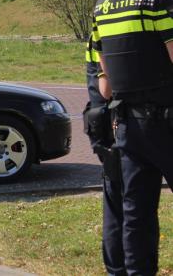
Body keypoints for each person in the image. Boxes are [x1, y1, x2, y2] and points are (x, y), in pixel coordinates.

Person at [91, 0, 173, 275]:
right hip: (166, 122)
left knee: (136, 213)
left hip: (127, 127)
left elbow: (105, 83)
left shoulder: (102, 6)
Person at [83, 36, 124, 275]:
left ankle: (117, 268)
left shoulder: (99, 26)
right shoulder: (106, 30)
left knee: (115, 201)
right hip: (113, 124)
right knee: (120, 203)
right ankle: (117, 268)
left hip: (103, 121)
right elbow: (106, 88)